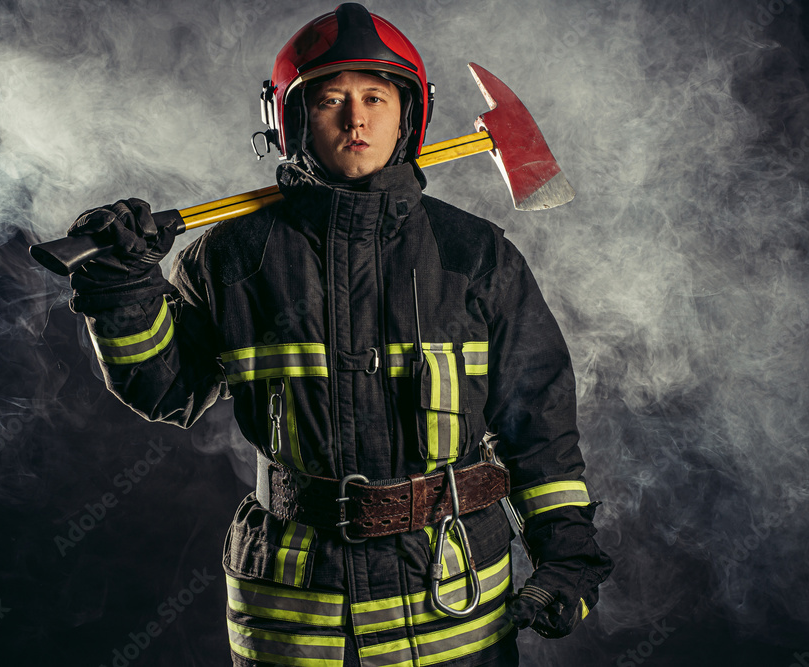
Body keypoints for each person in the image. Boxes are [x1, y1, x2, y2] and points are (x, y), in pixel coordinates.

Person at [65, 4, 613, 665]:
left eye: (377, 97)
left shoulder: (477, 256)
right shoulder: (231, 258)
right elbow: (165, 390)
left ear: (409, 114)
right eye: (331, 100)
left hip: (453, 612)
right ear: (291, 120)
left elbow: (539, 429)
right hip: (296, 618)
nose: (358, 120)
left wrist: (569, 561)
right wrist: (122, 286)